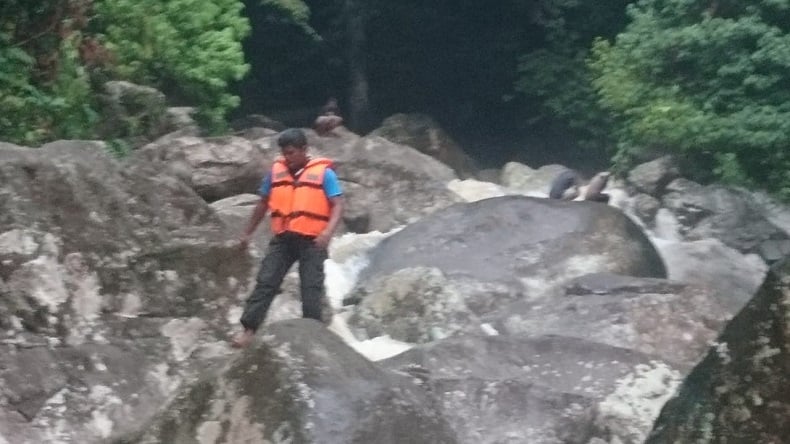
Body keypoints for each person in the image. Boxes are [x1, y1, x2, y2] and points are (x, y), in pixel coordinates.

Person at [232, 128, 345, 348]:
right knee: (266, 281)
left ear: (304, 149)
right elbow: (262, 204)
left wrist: (327, 233)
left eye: (291, 153)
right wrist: (247, 233)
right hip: (284, 239)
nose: (288, 158)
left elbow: (338, 205)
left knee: (310, 288)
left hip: (313, 240)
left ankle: (313, 336)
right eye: (285, 153)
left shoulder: (324, 174)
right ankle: (248, 330)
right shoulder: (276, 173)